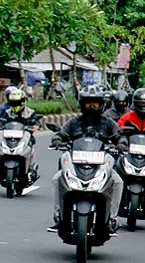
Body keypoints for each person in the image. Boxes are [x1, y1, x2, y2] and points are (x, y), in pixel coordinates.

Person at [49, 86, 122, 231]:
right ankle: (59, 216)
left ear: (102, 104)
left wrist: (122, 144)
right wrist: (57, 139)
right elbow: (62, 134)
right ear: (82, 104)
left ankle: (112, 218)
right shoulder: (73, 122)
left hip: (101, 166)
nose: (92, 106)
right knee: (57, 179)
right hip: (75, 165)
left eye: (95, 103)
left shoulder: (108, 123)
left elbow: (119, 136)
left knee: (118, 182)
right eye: (88, 103)